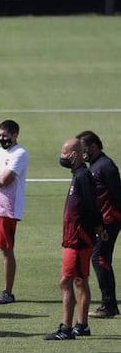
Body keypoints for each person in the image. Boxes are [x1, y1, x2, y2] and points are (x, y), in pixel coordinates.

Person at [45, 138, 106, 340]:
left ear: (73, 155)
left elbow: (92, 205)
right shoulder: (79, 175)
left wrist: (98, 226)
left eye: (64, 153)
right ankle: (82, 325)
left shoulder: (83, 177)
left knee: (66, 281)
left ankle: (67, 329)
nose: (61, 156)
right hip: (76, 237)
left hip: (78, 239)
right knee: (80, 280)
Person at [0, 119, 29, 305]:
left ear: (15, 135)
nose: (2, 138)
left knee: (5, 250)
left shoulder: (20, 153)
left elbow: (5, 181)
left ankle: (8, 292)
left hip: (7, 210)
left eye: (5, 135)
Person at [77, 131, 121, 318]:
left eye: (83, 148)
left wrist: (108, 222)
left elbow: (117, 195)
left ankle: (109, 305)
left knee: (100, 259)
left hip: (108, 223)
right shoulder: (95, 166)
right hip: (101, 223)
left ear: (94, 146)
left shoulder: (105, 166)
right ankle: (108, 304)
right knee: (100, 258)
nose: (81, 153)